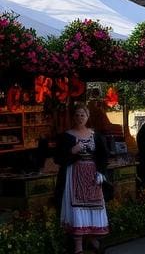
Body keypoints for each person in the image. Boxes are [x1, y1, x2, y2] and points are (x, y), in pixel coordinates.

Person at [55, 105, 109, 254]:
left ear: (87, 117)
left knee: (94, 205)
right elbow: (58, 158)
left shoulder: (95, 135)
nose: (80, 118)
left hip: (92, 175)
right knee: (77, 208)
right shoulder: (67, 136)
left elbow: (104, 155)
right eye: (77, 115)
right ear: (73, 117)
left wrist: (101, 172)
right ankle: (78, 245)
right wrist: (72, 151)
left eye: (82, 115)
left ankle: (92, 238)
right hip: (75, 175)